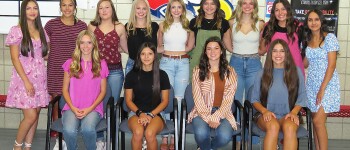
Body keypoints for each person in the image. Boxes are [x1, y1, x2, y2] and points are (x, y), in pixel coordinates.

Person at [5, 0, 50, 149]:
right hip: (24, 78)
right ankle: (17, 146)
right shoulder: (16, 30)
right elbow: (14, 58)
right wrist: (26, 81)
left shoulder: (41, 30)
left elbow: (43, 55)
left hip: (40, 78)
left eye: (35, 8)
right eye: (28, 8)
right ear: (23, 11)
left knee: (35, 115)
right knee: (30, 116)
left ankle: (28, 146)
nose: (32, 11)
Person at [250, 39, 307, 150]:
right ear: (270, 54)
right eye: (275, 51)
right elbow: (254, 100)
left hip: (289, 114)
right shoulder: (261, 74)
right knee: (273, 126)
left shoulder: (297, 72)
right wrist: (265, 111)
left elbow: (302, 96)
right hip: (265, 115)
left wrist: (294, 112)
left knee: (290, 128)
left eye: (282, 51)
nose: (278, 54)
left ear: (287, 54)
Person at [44, 1, 86, 146]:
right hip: (56, 68)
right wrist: (46, 54)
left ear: (75, 7)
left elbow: (85, 47)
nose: (67, 8)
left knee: (72, 100)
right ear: (60, 7)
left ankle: (70, 133)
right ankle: (59, 139)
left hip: (74, 69)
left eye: (70, 5)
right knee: (56, 102)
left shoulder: (82, 26)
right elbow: (45, 45)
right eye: (64, 5)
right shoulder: (51, 24)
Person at [187, 36, 238, 150]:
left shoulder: (230, 72)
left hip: (223, 111)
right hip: (201, 111)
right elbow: (197, 97)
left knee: (225, 137)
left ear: (221, 51)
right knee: (200, 134)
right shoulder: (197, 71)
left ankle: (207, 148)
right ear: (205, 52)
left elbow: (229, 99)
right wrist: (208, 117)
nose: (212, 52)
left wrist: (217, 116)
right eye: (209, 49)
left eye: (216, 48)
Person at [61, 30, 108, 150]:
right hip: (72, 107)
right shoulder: (70, 63)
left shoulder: (101, 64)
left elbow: (103, 91)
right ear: (78, 44)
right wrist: (72, 107)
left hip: (93, 108)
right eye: (82, 43)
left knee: (87, 129)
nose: (86, 46)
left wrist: (89, 109)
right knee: (69, 130)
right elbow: (65, 90)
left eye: (89, 43)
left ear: (94, 45)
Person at [157, 0, 194, 149]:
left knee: (178, 100)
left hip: (183, 63)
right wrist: (168, 51)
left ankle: (175, 136)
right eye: (174, 7)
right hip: (166, 63)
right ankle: (165, 137)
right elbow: (159, 47)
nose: (177, 10)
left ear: (183, 10)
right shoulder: (162, 25)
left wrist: (179, 53)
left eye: (179, 7)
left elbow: (190, 46)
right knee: (165, 98)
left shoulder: (188, 26)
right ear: (169, 10)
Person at [302, 9, 340, 150]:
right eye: (310, 20)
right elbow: (305, 63)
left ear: (321, 21)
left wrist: (322, 89)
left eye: (316, 19)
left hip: (327, 85)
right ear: (307, 23)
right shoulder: (308, 40)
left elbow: (331, 66)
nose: (313, 22)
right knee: (315, 122)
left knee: (318, 121)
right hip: (312, 84)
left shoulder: (330, 38)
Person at [124, 42, 170, 150]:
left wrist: (150, 115)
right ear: (139, 56)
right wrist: (140, 113)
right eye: (143, 54)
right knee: (138, 132)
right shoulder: (131, 75)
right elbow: (128, 100)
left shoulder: (162, 75)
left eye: (150, 54)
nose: (146, 57)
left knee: (149, 134)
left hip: (156, 114)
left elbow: (165, 101)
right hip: (136, 113)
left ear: (155, 56)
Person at [188, 0, 232, 80]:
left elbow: (229, 47)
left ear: (217, 6)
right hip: (197, 62)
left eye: (212, 4)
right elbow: (189, 46)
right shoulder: (194, 22)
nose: (209, 7)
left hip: (216, 63)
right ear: (202, 5)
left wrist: (246, 52)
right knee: (195, 89)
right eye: (206, 4)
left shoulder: (224, 23)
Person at [260, 0, 305, 75]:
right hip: (273, 71)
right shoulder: (268, 27)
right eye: (277, 10)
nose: (280, 13)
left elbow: (305, 49)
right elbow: (261, 50)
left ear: (288, 10)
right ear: (273, 12)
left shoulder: (298, 27)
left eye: (283, 9)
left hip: (294, 72)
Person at [125, 0, 158, 75]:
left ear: (147, 10)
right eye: (138, 8)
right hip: (132, 64)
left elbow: (158, 46)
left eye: (144, 8)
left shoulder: (154, 26)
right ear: (134, 9)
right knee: (130, 87)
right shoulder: (128, 27)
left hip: (150, 65)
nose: (141, 11)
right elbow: (125, 46)